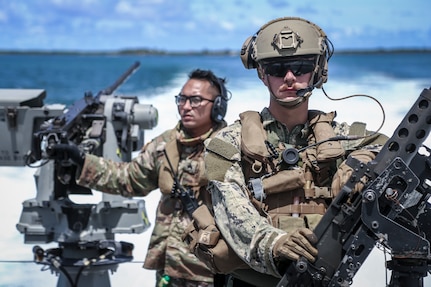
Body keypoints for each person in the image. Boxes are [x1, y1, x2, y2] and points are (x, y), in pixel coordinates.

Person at [198, 17, 388, 286]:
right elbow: (233, 212)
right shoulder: (228, 142)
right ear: (262, 74)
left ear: (318, 71)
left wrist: (361, 162)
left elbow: (390, 149)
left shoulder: (342, 136)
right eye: (277, 69)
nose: (289, 78)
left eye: (301, 67)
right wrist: (275, 243)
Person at [49, 69, 231, 287]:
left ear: (218, 105)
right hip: (169, 271)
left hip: (210, 272)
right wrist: (81, 160)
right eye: (181, 99)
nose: (185, 106)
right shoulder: (165, 145)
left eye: (196, 100)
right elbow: (129, 179)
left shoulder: (230, 149)